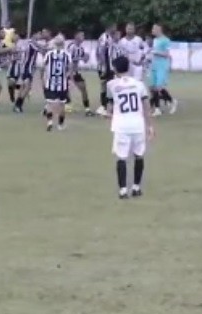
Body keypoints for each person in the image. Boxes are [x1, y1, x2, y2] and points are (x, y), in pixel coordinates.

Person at [105, 55, 154, 199]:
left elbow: (109, 108)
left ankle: (123, 190)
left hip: (122, 125)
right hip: (138, 124)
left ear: (114, 68)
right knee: (139, 155)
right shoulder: (139, 84)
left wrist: (107, 114)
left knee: (121, 157)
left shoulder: (111, 85)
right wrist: (150, 126)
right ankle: (136, 187)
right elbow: (146, 106)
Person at [41, 35, 73, 131]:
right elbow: (70, 68)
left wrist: (42, 78)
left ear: (54, 44)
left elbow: (43, 67)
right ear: (63, 44)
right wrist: (67, 77)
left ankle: (50, 121)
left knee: (49, 104)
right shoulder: (67, 55)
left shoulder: (49, 54)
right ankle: (60, 124)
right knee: (62, 105)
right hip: (62, 84)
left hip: (50, 82)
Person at [149, 24, 177, 116]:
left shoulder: (166, 40)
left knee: (159, 87)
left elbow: (167, 54)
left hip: (162, 66)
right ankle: (157, 108)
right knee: (152, 88)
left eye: (154, 28)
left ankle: (171, 101)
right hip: (154, 65)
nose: (152, 30)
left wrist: (156, 52)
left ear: (159, 29)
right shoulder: (155, 40)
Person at [66, 31, 94, 116]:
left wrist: (87, 56)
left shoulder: (81, 48)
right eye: (82, 35)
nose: (83, 37)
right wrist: (70, 76)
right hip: (67, 71)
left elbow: (85, 60)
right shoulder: (71, 47)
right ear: (76, 36)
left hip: (75, 71)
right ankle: (66, 105)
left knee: (83, 88)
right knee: (64, 90)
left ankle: (87, 109)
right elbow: (68, 61)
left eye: (83, 35)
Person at [13, 31, 42, 113]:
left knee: (23, 87)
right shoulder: (31, 43)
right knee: (27, 87)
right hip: (27, 67)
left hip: (27, 67)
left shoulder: (31, 43)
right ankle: (18, 105)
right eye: (38, 34)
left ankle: (17, 105)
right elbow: (41, 49)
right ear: (34, 35)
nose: (40, 36)